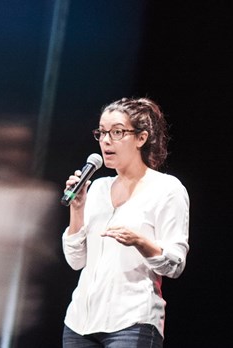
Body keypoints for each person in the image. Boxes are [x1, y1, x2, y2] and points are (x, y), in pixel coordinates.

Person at [61, 97, 189, 348]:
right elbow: (76, 261)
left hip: (132, 322)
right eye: (102, 132)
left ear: (141, 138)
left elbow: (175, 264)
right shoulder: (97, 188)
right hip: (80, 324)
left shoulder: (166, 189)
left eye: (117, 132)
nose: (106, 140)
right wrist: (77, 209)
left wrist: (140, 241)